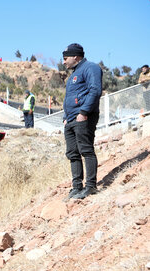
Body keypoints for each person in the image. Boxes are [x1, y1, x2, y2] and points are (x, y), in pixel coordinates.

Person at [62, 43, 102, 200]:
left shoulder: (91, 68)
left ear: (75, 56)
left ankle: (91, 186)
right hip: (70, 119)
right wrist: (65, 118)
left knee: (86, 150)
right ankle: (76, 187)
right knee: (72, 153)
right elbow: (69, 98)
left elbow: (95, 90)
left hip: (83, 116)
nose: (64, 62)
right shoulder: (73, 75)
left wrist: (84, 112)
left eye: (66, 58)